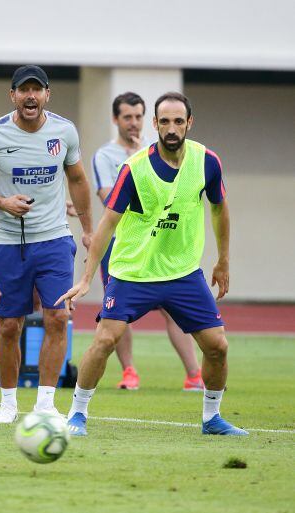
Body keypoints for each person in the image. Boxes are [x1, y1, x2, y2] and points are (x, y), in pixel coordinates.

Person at [57, 92, 248, 437]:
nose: (171, 128)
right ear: (154, 125)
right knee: (105, 340)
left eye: (178, 121)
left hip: (183, 272)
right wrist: (86, 278)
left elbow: (220, 208)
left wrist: (222, 261)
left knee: (217, 346)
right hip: (133, 271)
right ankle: (76, 414)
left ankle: (211, 418)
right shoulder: (134, 169)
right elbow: (107, 224)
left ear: (189, 123)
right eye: (164, 122)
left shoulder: (207, 162)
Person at [0, 65, 93, 423]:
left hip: (54, 239)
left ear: (46, 95)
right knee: (10, 325)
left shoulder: (64, 131)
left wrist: (87, 229)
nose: (30, 96)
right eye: (23, 90)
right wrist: (3, 202)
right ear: (13, 96)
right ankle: (8, 404)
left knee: (57, 317)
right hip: (9, 243)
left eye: (36, 90)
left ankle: (45, 404)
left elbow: (78, 180)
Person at [92, 92, 204, 391]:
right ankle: (129, 371)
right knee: (118, 316)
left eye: (138, 116)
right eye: (127, 117)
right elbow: (109, 200)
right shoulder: (107, 157)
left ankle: (194, 374)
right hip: (125, 248)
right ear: (116, 119)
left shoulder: (160, 150)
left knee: (172, 309)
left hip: (164, 244)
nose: (133, 122)